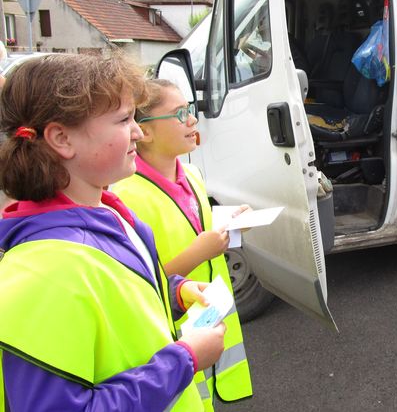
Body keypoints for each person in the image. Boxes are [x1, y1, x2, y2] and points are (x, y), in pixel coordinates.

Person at [0, 54, 226, 411]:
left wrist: (176, 293)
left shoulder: (106, 211)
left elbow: (118, 295)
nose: (138, 130)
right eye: (123, 119)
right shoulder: (46, 272)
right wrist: (183, 361)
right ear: (61, 138)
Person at [112, 78, 252, 409]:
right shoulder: (125, 195)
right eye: (179, 114)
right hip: (174, 334)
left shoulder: (191, 175)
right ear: (144, 131)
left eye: (190, 110)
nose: (192, 120)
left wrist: (226, 221)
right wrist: (197, 253)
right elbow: (140, 281)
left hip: (209, 318)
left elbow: (189, 223)